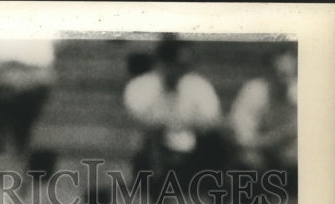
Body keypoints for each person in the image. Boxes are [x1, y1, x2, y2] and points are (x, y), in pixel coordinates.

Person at [124, 35, 227, 195]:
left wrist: (180, 124)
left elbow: (212, 120)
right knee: (153, 145)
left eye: (185, 66)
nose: (179, 71)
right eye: (176, 65)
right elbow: (146, 122)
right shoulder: (140, 87)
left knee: (219, 144)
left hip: (193, 150)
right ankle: (159, 196)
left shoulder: (199, 86)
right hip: (157, 151)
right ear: (161, 63)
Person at [229, 46, 297, 194]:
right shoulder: (254, 91)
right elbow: (242, 136)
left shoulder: (303, 93)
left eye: (288, 74)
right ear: (268, 73)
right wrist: (270, 141)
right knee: (247, 161)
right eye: (277, 73)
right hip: (261, 157)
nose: (282, 80)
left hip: (291, 161)